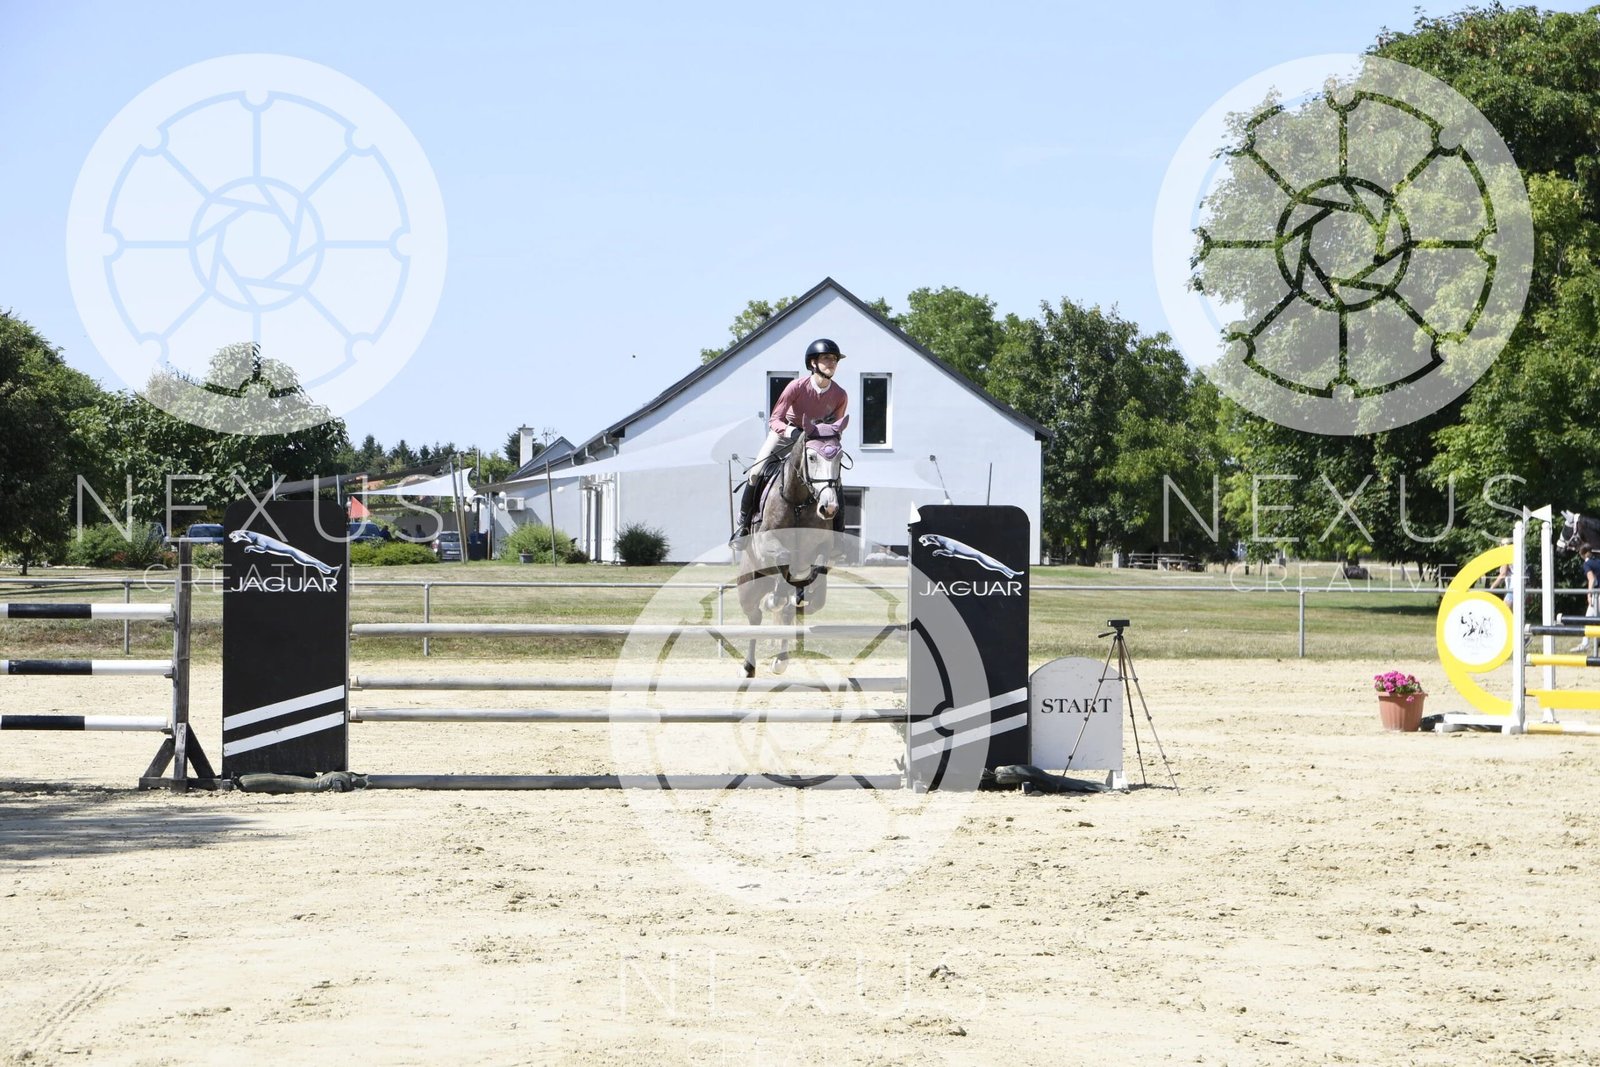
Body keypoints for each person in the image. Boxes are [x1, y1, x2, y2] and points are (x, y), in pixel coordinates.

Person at [731, 338, 849, 547]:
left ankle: (838, 536)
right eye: (826, 358)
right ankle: (744, 525)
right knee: (756, 472)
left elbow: (835, 428)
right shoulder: (796, 387)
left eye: (834, 360)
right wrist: (793, 432)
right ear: (813, 363)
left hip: (815, 441)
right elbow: (774, 420)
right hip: (786, 434)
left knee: (834, 480)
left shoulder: (840, 394)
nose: (832, 363)